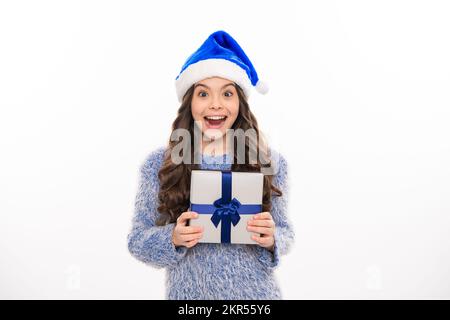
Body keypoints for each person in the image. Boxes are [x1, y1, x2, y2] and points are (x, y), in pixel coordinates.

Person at [127, 30, 294, 300]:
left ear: (240, 102)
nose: (215, 104)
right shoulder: (159, 165)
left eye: (227, 93)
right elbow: (137, 241)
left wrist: (273, 239)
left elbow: (286, 231)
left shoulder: (271, 163)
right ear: (189, 102)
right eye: (203, 94)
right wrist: (173, 238)